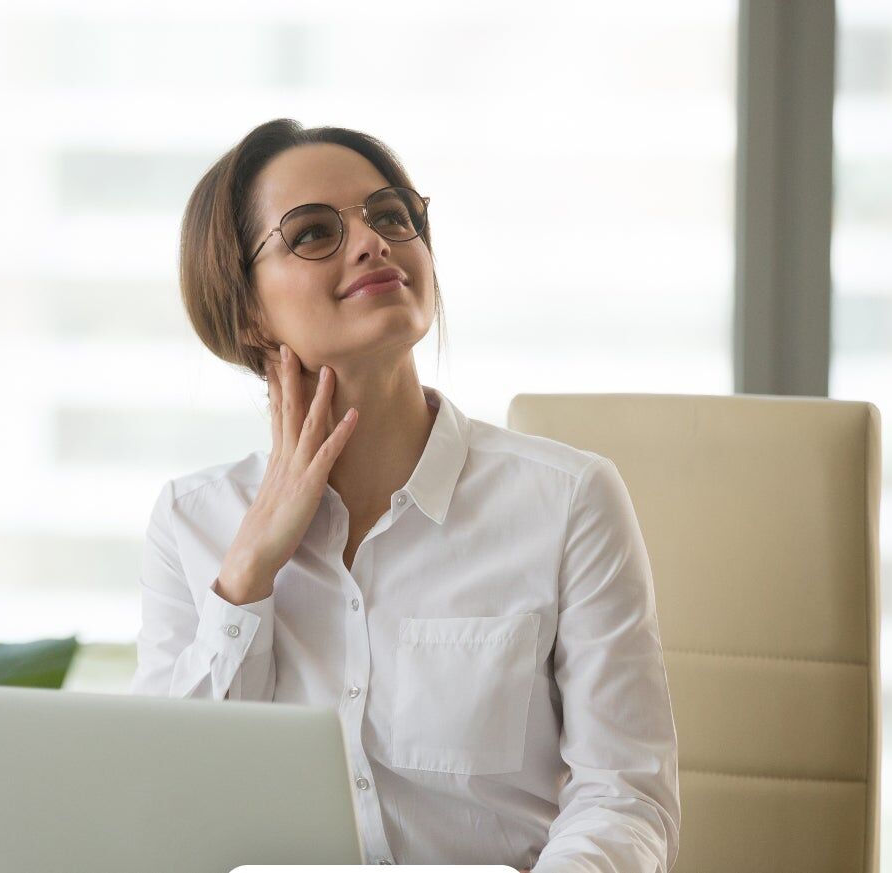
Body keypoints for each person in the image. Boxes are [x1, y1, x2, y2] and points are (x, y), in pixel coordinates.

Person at [130, 118, 681, 872]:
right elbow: (158, 806)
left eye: (391, 215)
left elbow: (624, 800)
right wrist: (248, 572)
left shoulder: (570, 501)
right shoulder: (191, 523)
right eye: (314, 232)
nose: (373, 242)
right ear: (247, 308)